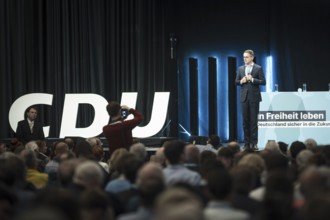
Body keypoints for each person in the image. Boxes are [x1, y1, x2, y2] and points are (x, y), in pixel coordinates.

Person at [235, 49, 266, 150]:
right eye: (243, 57)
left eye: (247, 57)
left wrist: (252, 79)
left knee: (253, 122)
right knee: (245, 122)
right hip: (244, 98)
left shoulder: (258, 68)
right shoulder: (240, 69)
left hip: (254, 98)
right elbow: (236, 82)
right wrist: (241, 81)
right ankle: (246, 143)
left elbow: (263, 81)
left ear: (252, 57)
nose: (245, 59)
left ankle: (254, 143)